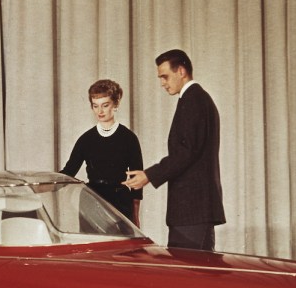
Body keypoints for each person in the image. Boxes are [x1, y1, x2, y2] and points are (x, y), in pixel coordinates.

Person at [122, 49, 225, 250]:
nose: (162, 83)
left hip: (192, 209)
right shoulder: (197, 99)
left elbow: (186, 152)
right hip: (193, 209)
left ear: (181, 71)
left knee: (192, 274)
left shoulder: (193, 100)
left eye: (165, 76)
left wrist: (148, 175)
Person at [60, 79, 143, 225]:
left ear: (116, 104)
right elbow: (68, 172)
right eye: (95, 106)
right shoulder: (85, 139)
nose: (100, 111)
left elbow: (137, 179)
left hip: (120, 202)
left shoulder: (128, 138)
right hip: (91, 200)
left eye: (105, 105)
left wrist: (135, 215)